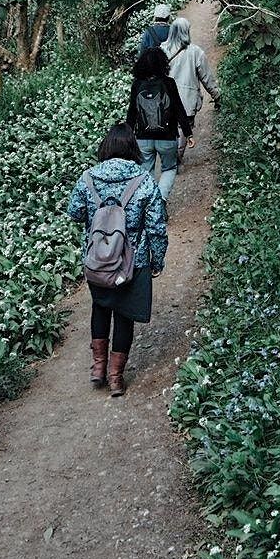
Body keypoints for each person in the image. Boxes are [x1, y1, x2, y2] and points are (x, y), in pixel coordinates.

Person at [67, 122, 167, 397]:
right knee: (124, 315)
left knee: (101, 306)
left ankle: (97, 368)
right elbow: (157, 226)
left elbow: (74, 212)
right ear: (132, 148)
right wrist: (156, 260)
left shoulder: (88, 177)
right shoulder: (144, 179)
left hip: (98, 259)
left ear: (106, 148)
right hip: (132, 263)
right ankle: (115, 378)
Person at [126, 46, 192, 207]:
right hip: (167, 137)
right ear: (163, 64)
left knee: (146, 171)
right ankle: (160, 199)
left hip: (143, 138)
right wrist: (188, 133)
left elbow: (132, 112)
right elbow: (178, 109)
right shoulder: (168, 83)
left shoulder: (137, 85)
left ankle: (149, 204)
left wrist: (128, 135)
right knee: (169, 168)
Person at [162, 17, 220, 163]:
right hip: (187, 99)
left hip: (165, 98)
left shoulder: (161, 50)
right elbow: (207, 77)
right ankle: (176, 157)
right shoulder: (196, 52)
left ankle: (168, 156)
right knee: (183, 129)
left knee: (168, 127)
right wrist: (217, 95)